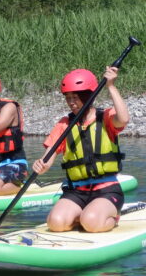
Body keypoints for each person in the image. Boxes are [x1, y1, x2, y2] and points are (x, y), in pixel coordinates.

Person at [32, 66, 129, 232]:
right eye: (68, 97)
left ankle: (108, 217)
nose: (71, 102)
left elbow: (123, 118)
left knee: (91, 222)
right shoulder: (64, 124)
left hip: (106, 189)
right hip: (76, 191)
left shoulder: (105, 117)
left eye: (75, 97)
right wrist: (41, 165)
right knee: (56, 223)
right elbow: (48, 158)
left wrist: (111, 86)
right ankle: (83, 215)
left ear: (88, 96)